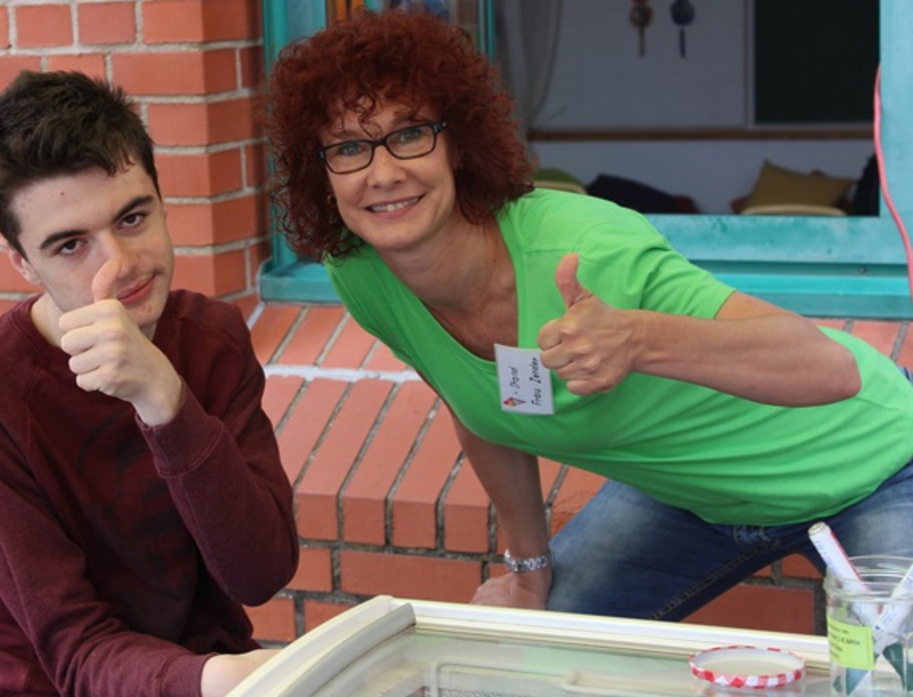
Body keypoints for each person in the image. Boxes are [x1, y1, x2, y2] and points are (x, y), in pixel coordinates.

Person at [264, 10, 913, 622]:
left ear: (455, 145)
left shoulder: (586, 249)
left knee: (895, 680)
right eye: (348, 148)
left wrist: (639, 338)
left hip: (870, 464)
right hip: (691, 499)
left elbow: (829, 370)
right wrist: (527, 567)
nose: (383, 173)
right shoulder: (365, 272)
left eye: (408, 135)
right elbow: (474, 404)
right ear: (320, 172)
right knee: (542, 658)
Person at [0, 70, 299, 697]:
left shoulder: (210, 339)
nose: (118, 262)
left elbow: (260, 573)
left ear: (161, 197)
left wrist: (167, 401)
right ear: (21, 262)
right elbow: (73, 653)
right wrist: (217, 686)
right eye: (70, 245)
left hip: (198, 677)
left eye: (133, 217)